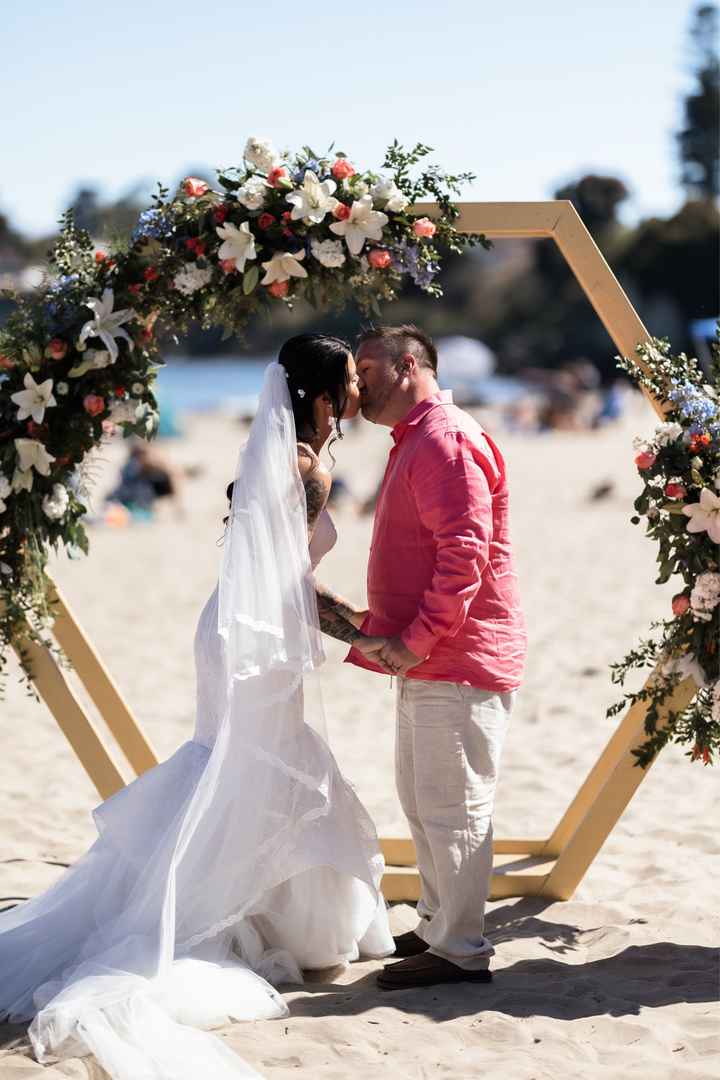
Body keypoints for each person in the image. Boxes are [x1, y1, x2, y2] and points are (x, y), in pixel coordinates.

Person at [0, 334, 394, 1079]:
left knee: (240, 762)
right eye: (348, 381)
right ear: (317, 397)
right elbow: (296, 583)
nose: (358, 389)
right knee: (250, 765)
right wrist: (377, 634)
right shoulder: (303, 467)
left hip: (238, 626)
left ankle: (264, 910)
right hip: (257, 634)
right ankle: (221, 915)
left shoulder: (301, 458)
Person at [346, 324, 527, 990]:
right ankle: (435, 925)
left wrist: (414, 638)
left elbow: (464, 556)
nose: (357, 383)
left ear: (409, 364)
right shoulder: (417, 438)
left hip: (455, 653)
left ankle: (460, 949)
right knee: (424, 802)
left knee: (454, 808)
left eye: (367, 368)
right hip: (428, 655)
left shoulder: (445, 440)